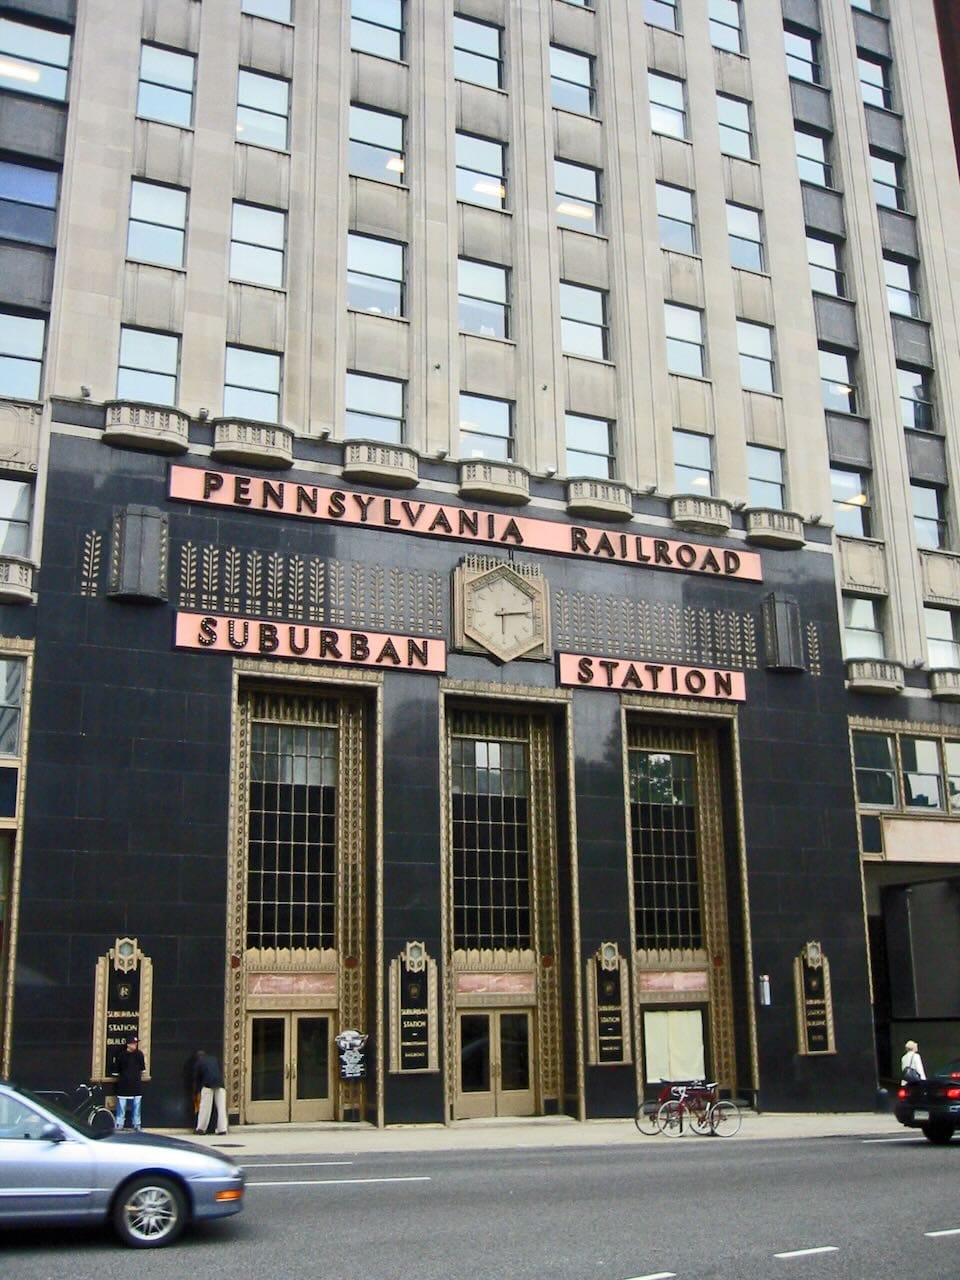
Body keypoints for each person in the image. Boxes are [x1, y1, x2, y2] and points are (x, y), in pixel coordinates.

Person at [114, 1035, 146, 1130]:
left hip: (136, 1085)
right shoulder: (121, 1055)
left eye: (136, 1043)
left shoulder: (139, 1054)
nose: (135, 1045)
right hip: (123, 1085)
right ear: (128, 1044)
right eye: (133, 1043)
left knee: (136, 1106)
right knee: (121, 1106)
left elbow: (142, 1069)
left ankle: (136, 1124)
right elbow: (116, 1070)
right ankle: (119, 1124)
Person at [193, 1049, 228, 1135]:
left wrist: (196, 1091)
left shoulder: (199, 1062)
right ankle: (222, 1129)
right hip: (220, 1084)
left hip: (207, 1084)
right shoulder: (214, 1059)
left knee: (205, 1107)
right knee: (221, 1107)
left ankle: (201, 1129)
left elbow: (197, 1078)